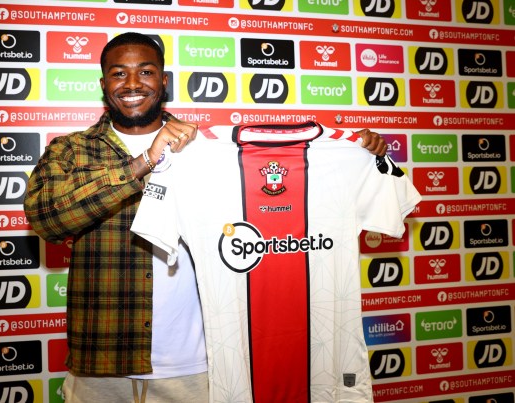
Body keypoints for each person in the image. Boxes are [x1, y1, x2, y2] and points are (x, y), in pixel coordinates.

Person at [24, 32, 388, 403]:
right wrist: (144, 161)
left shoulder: (208, 150)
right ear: (104, 85)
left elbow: (273, 205)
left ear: (164, 81)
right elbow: (47, 219)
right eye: (119, 74)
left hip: (198, 366)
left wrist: (354, 153)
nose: (132, 84)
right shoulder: (71, 149)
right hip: (101, 369)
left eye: (145, 72)